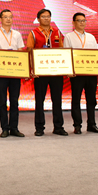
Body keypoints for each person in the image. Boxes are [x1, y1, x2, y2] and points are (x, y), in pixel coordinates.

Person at [26, 8, 68, 137]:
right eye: (43, 17)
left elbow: (62, 51)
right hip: (40, 72)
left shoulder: (57, 32)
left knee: (57, 100)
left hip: (56, 72)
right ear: (38, 19)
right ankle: (39, 127)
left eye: (48, 16)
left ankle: (58, 127)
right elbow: (29, 52)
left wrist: (65, 68)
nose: (46, 19)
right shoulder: (33, 33)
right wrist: (32, 69)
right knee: (40, 100)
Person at [63, 12, 98, 134]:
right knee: (76, 99)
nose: (82, 23)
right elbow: (67, 54)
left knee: (91, 100)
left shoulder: (91, 37)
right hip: (77, 74)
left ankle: (92, 124)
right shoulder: (69, 36)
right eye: (79, 20)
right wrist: (69, 70)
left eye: (84, 20)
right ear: (73, 22)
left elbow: (96, 54)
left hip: (91, 73)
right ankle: (77, 125)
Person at [0, 9, 26, 138]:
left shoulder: (17, 34)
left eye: (10, 17)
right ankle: (4, 128)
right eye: (5, 17)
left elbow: (20, 51)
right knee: (3, 101)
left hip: (15, 72)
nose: (8, 19)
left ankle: (14, 128)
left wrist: (23, 70)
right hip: (1, 73)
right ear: (1, 19)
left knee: (15, 101)